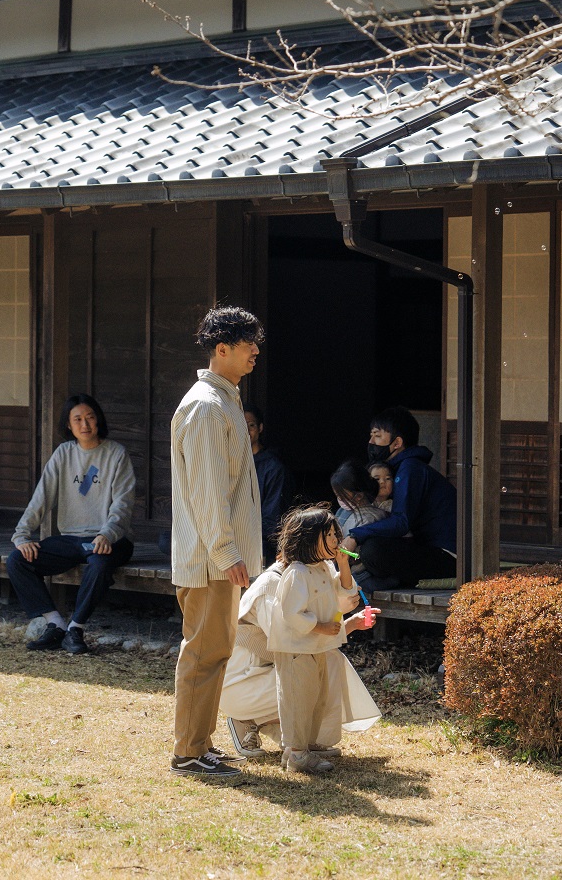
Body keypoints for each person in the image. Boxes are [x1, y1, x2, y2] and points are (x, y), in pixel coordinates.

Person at [170, 306, 267, 779]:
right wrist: (228, 553)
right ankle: (188, 752)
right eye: (247, 343)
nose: (255, 351)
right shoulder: (207, 405)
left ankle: (199, 745)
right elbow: (207, 492)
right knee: (204, 652)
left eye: (256, 342)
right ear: (221, 349)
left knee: (214, 652)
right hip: (210, 558)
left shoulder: (223, 398)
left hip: (218, 556)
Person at [221, 505, 382, 763]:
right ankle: (246, 718)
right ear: (308, 540)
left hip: (274, 666)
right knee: (306, 678)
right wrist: (347, 626)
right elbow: (290, 637)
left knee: (327, 663)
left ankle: (302, 738)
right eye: (328, 535)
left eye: (335, 535)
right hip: (243, 681)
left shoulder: (318, 569)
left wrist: (348, 612)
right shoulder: (276, 582)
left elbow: (341, 600)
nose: (336, 541)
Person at [6, 394, 136, 656]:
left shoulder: (116, 454)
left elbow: (123, 504)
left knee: (99, 564)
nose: (85, 424)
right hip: (72, 539)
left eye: (89, 417)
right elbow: (41, 498)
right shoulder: (63, 453)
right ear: (68, 425)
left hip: (112, 539)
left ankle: (76, 629)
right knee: (17, 560)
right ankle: (55, 625)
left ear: (98, 419)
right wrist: (21, 535)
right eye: (77, 419)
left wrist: (106, 534)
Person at [340, 407, 456, 590]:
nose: (371, 442)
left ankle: (365, 582)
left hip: (448, 556)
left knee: (373, 551)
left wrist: (356, 535)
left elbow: (401, 522)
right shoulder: (400, 468)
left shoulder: (410, 469)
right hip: (426, 548)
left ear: (397, 443)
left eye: (377, 436)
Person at [244, 404, 296, 560]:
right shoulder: (229, 462)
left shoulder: (273, 468)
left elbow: (271, 520)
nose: (246, 430)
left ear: (260, 428)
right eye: (241, 425)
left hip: (259, 539)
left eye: (251, 425)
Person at [330, 460, 383, 536]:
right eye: (337, 495)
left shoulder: (370, 519)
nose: (340, 499)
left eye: (342, 496)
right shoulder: (342, 511)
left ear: (359, 496)